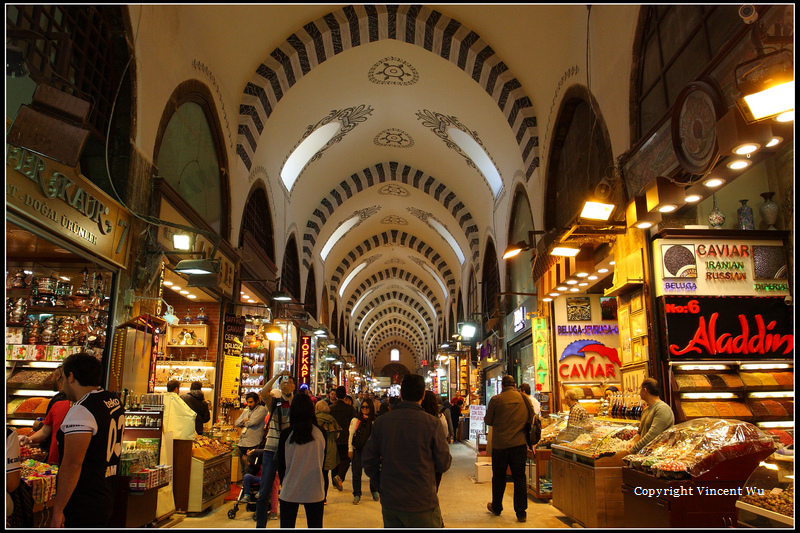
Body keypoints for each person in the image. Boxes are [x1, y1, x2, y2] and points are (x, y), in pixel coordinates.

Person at [363, 374, 452, 528]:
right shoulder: (432, 424)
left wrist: (380, 483)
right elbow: (443, 463)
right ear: (423, 394)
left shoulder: (381, 422)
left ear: (401, 394)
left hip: (391, 502)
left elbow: (368, 460)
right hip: (422, 501)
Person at [50, 353, 124, 528]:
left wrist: (58, 510)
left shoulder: (82, 410)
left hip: (83, 502)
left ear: (71, 376)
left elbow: (73, 464)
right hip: (104, 494)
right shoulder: (111, 399)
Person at [484, 375, 532, 523]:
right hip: (519, 444)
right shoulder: (524, 399)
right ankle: (521, 512)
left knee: (498, 477)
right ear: (515, 384)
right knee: (519, 478)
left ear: (502, 386)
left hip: (500, 445)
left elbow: (488, 421)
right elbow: (531, 417)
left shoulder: (496, 400)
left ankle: (497, 507)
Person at [275, 393, 326, 528]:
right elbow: (323, 463)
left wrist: (284, 481)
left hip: (290, 488)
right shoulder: (321, 433)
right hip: (315, 489)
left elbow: (281, 465)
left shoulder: (286, 434)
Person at [255, 370, 294, 527]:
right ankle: (260, 525)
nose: (286, 383)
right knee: (264, 490)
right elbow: (263, 392)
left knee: (287, 489)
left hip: (288, 450)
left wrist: (289, 394)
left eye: (289, 381)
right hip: (271, 449)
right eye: (284, 381)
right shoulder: (275, 403)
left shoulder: (295, 402)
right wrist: (276, 376)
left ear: (293, 386)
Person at [627, 379, 675, 454]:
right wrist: (634, 442)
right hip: (644, 455)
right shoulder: (646, 410)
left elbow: (652, 435)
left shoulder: (662, 409)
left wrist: (633, 449)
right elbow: (640, 432)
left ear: (645, 390)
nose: (639, 393)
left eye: (640, 389)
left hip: (657, 456)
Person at [348, 398, 379, 504]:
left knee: (373, 472)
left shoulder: (375, 421)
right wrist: (350, 449)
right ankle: (356, 493)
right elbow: (351, 435)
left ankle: (374, 490)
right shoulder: (356, 420)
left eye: (367, 407)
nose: (364, 409)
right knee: (356, 473)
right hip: (358, 450)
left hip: (371, 451)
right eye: (363, 407)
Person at [234, 392, 267, 479]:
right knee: (243, 469)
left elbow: (253, 422)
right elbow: (236, 422)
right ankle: (245, 487)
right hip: (242, 444)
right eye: (248, 402)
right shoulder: (246, 411)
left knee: (250, 468)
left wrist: (244, 422)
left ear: (257, 401)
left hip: (253, 444)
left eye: (251, 402)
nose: (249, 404)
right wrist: (244, 421)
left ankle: (248, 488)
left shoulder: (262, 409)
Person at [329, 385, 356, 491]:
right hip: (345, 438)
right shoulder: (349, 409)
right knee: (346, 459)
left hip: (334, 438)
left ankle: (334, 481)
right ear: (345, 396)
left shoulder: (331, 408)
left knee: (335, 460)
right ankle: (339, 476)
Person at [421, 391, 449, 490]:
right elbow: (445, 434)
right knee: (432, 491)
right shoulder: (439, 418)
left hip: (420, 461)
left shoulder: (418, 418)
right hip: (435, 462)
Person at [314, 399, 341, 502]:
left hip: (316, 447)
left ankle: (315, 495)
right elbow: (336, 435)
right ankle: (324, 497)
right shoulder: (332, 419)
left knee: (316, 473)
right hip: (329, 448)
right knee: (325, 474)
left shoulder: (315, 419)